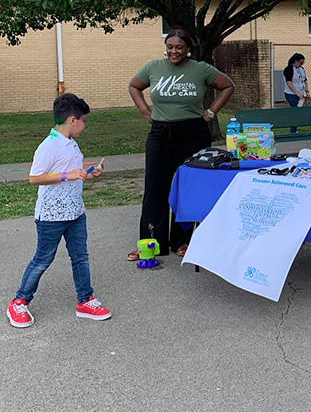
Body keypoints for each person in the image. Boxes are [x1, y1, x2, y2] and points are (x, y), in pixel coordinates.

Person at [128, 27, 234, 260]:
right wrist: (146, 112)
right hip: (160, 134)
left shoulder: (200, 69)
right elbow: (134, 86)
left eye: (179, 48)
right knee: (155, 188)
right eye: (170, 47)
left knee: (186, 188)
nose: (173, 52)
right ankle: (150, 243)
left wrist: (211, 112)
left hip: (192, 133)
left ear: (188, 49)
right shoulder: (153, 67)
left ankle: (182, 241)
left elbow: (227, 86)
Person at [6, 94, 111, 328]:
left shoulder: (71, 143)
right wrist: (68, 175)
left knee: (80, 257)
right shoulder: (49, 146)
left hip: (75, 212)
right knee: (43, 258)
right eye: (84, 120)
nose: (85, 125)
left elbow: (73, 172)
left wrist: (90, 172)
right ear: (73, 120)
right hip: (52, 216)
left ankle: (85, 300)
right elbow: (34, 178)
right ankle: (19, 301)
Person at [283, 53, 309, 133]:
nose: (301, 65)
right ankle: (293, 130)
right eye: (300, 63)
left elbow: (305, 80)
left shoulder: (301, 69)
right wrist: (297, 93)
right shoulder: (289, 69)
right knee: (295, 111)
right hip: (291, 94)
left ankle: (295, 128)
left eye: (302, 63)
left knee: (298, 111)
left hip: (300, 93)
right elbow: (289, 82)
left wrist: (307, 91)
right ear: (295, 61)